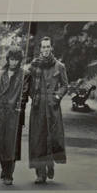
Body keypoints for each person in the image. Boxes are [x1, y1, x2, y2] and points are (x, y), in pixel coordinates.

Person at [26, 35, 69, 184]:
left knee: (52, 137)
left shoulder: (59, 66)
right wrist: (34, 96)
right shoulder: (33, 66)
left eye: (47, 46)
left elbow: (65, 85)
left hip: (52, 107)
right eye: (43, 47)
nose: (45, 49)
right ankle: (40, 173)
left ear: (51, 48)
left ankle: (50, 164)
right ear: (40, 49)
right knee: (38, 139)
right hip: (38, 108)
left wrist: (57, 97)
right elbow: (28, 85)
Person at [0, 45, 28, 186]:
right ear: (8, 59)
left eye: (17, 60)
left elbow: (24, 94)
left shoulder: (24, 75)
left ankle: (9, 175)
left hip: (14, 115)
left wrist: (19, 107)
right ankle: (4, 168)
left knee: (12, 146)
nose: (14, 62)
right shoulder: (0, 74)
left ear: (20, 60)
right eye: (12, 59)